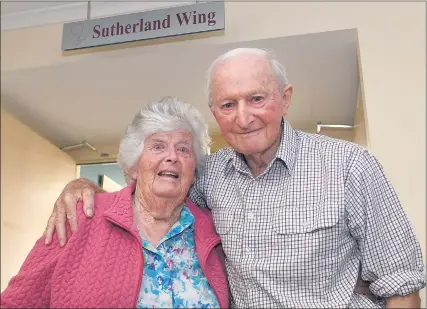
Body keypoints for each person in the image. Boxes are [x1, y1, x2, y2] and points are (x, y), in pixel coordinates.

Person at [42, 48, 425, 308]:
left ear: (285, 99)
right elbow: (154, 186)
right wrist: (83, 186)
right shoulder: (209, 176)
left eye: (257, 99)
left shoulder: (349, 166)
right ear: (215, 111)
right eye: (228, 105)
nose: (243, 117)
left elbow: (401, 284)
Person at [1, 97, 229, 308]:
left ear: (194, 169)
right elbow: (16, 302)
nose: (172, 156)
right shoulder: (81, 217)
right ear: (134, 166)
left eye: (183, 149)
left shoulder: (213, 229)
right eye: (158, 146)